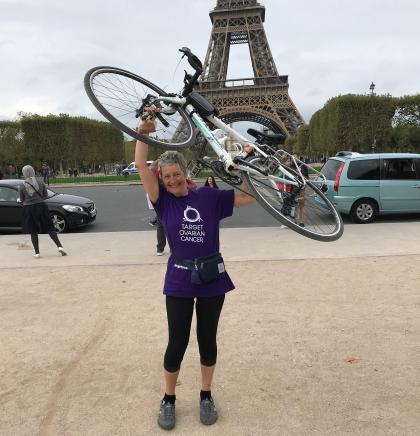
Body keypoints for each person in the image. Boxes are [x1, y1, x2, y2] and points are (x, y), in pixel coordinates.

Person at [135, 116, 255, 430]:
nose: (173, 180)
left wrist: (246, 165)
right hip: (178, 279)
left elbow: (247, 197)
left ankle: (205, 394)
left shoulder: (208, 197)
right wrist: (142, 134)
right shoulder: (161, 201)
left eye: (177, 174)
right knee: (177, 342)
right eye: (167, 176)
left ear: (185, 173)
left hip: (212, 278)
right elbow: (140, 166)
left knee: (207, 339)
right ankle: (169, 398)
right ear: (161, 178)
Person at [19, 165, 67, 258]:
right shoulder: (41, 182)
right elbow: (45, 195)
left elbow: (22, 200)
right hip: (41, 206)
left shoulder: (21, 185)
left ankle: (37, 253)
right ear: (33, 171)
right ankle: (60, 246)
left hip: (29, 209)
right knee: (50, 227)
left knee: (33, 231)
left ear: (24, 173)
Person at [292, 152, 309, 227]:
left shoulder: (303, 166)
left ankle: (302, 222)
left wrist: (300, 177)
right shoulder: (291, 166)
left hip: (301, 188)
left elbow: (307, 177)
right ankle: (294, 220)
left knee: (301, 205)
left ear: (299, 157)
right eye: (292, 157)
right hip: (293, 187)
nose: (293, 159)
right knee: (294, 205)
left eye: (295, 157)